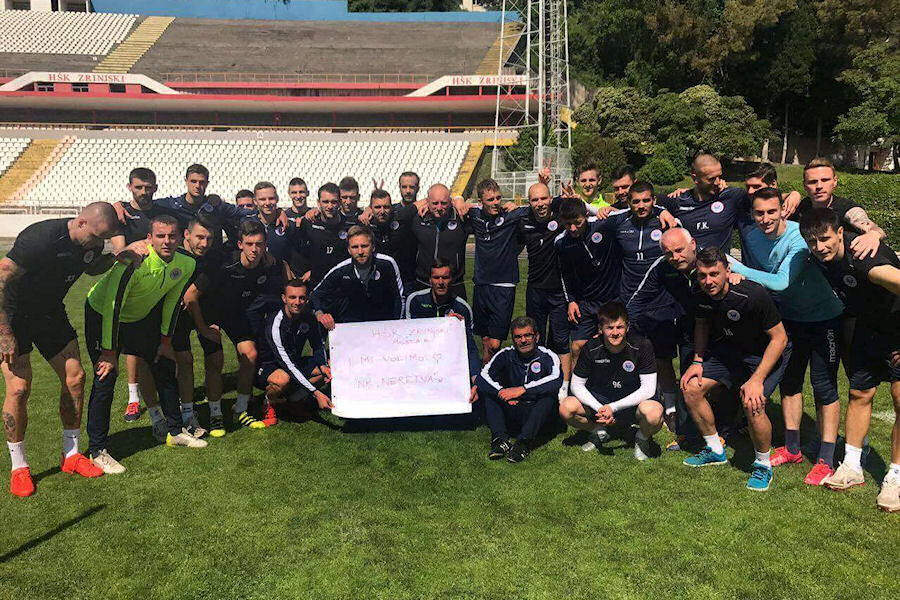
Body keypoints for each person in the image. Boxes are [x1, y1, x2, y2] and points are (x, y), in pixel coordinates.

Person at [0, 203, 121, 496]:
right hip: (14, 315)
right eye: (96, 237)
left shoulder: (92, 242)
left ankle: (71, 454)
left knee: (75, 377)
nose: (97, 244)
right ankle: (19, 467)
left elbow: (91, 266)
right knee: (19, 388)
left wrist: (118, 257)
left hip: (50, 313)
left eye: (103, 239)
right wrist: (4, 331)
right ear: (81, 223)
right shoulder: (40, 238)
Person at [727, 188, 845, 484]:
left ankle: (826, 459)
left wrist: (739, 268)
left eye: (771, 211)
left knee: (824, 387)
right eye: (759, 213)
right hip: (790, 319)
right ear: (752, 214)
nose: (765, 218)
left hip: (824, 318)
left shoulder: (799, 237)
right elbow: (762, 277)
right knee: (790, 384)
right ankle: (792, 448)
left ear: (783, 210)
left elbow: (781, 282)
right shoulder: (752, 236)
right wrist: (742, 276)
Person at [85, 215, 204, 476]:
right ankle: (97, 450)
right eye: (160, 236)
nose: (167, 241)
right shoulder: (134, 261)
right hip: (102, 313)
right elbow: (113, 304)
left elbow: (172, 300)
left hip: (137, 318)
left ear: (180, 237)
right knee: (106, 376)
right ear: (149, 239)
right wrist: (109, 352)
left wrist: (165, 341)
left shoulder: (187, 263)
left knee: (164, 363)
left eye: (172, 236)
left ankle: (175, 431)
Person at [799, 208, 900, 512]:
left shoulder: (864, 260)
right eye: (813, 242)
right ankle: (852, 466)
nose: (819, 247)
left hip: (897, 329)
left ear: (840, 233)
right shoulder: (823, 258)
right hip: (868, 328)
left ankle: (895, 477)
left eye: (825, 239)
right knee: (859, 393)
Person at [680, 247, 789, 492]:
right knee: (691, 388)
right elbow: (701, 324)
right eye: (702, 275)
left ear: (728, 271)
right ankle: (714, 448)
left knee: (752, 402)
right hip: (730, 352)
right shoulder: (698, 292)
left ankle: (763, 465)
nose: (708, 281)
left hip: (764, 354)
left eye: (714, 274)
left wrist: (757, 379)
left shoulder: (752, 295)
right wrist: (697, 361)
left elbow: (780, 338)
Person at [188, 220, 286, 430]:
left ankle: (240, 409)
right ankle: (215, 413)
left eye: (259, 244)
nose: (254, 249)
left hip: (236, 315)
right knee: (215, 360)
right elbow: (190, 297)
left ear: (265, 245)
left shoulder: (267, 264)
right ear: (240, 244)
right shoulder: (223, 264)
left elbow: (284, 269)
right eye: (249, 244)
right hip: (210, 314)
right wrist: (203, 328)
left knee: (250, 354)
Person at [559, 302, 662, 461]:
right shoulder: (591, 347)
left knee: (654, 414)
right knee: (566, 408)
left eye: (620, 327)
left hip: (632, 403)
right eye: (610, 328)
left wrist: (613, 408)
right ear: (600, 329)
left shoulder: (642, 346)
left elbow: (648, 389)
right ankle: (598, 431)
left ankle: (641, 438)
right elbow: (576, 385)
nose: (615, 333)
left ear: (627, 327)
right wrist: (600, 408)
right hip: (600, 402)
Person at [615, 181, 679, 428]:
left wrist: (663, 210)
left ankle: (671, 408)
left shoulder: (666, 223)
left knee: (662, 358)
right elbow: (590, 218)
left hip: (661, 303)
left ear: (654, 200)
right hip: (629, 301)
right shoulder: (620, 223)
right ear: (629, 203)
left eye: (646, 200)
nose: (641, 206)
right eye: (636, 201)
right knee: (630, 356)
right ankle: (634, 404)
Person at [554, 198, 624, 384]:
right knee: (577, 347)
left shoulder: (603, 225)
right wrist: (571, 301)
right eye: (567, 224)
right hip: (586, 302)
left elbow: (628, 213)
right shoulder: (561, 243)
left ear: (585, 216)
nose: (573, 228)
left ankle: (615, 386)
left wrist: (602, 209)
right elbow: (564, 275)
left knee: (614, 344)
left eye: (577, 222)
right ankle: (577, 389)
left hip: (612, 300)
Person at [111, 168, 161, 425]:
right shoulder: (122, 215)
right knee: (133, 348)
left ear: (155, 188)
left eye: (148, 187)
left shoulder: (162, 211)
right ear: (130, 187)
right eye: (139, 187)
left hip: (159, 285)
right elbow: (119, 251)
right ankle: (133, 398)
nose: (144, 192)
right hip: (131, 287)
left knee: (162, 341)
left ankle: (164, 391)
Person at [476, 316, 562, 463]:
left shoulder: (548, 356)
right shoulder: (505, 354)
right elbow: (482, 377)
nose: (523, 340)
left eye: (528, 335)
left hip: (537, 415)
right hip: (512, 409)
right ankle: (500, 440)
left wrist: (523, 389)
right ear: (513, 339)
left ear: (536, 336)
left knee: (548, 397)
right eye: (518, 337)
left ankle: (523, 444)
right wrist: (501, 392)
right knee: (490, 394)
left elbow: (556, 379)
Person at [172, 216, 227, 438]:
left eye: (209, 239)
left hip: (206, 311)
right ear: (187, 234)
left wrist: (205, 327)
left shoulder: (213, 258)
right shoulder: (173, 255)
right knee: (184, 361)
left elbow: (192, 297)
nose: (204, 244)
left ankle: (215, 411)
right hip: (179, 315)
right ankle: (187, 413)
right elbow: (188, 298)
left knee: (215, 359)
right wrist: (203, 329)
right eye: (200, 237)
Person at [518, 182, 572, 400]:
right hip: (535, 291)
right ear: (529, 202)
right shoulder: (524, 223)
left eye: (543, 198)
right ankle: (537, 381)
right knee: (535, 339)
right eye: (535, 200)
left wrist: (564, 197)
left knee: (560, 341)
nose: (540, 204)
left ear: (550, 199)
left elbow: (572, 206)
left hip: (559, 292)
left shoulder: (560, 216)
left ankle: (564, 387)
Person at [466, 178, 528, 363]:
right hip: (481, 284)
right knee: (485, 339)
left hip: (504, 285)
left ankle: (491, 372)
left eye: (498, 198)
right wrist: (459, 200)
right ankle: (488, 373)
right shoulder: (475, 215)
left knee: (494, 343)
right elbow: (454, 205)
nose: (495, 203)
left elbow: (538, 207)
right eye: (490, 199)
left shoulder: (510, 215)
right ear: (480, 201)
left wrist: (517, 206)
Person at [256, 280, 332, 425]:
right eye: (292, 297)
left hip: (292, 361)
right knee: (282, 380)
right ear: (284, 298)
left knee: (328, 371)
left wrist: (323, 365)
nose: (297, 302)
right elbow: (288, 365)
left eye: (301, 298)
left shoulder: (308, 316)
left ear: (307, 298)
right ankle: (268, 402)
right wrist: (316, 393)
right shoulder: (276, 324)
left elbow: (317, 344)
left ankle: (294, 400)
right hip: (269, 365)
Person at [790, 157, 886, 259]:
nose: (819, 186)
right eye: (812, 182)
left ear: (835, 181)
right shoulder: (803, 206)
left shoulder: (846, 208)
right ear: (805, 186)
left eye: (825, 180)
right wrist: (792, 194)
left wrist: (873, 234)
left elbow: (872, 227)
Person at [311, 225, 404, 329]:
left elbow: (399, 298)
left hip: (383, 323)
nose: (360, 252)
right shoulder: (341, 270)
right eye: (355, 247)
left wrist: (397, 325)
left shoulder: (387, 264)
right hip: (352, 324)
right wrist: (320, 314)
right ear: (349, 250)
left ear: (373, 247)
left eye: (364, 246)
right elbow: (315, 295)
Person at [405, 259, 481, 382]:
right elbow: (407, 339)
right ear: (430, 280)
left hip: (449, 363)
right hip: (420, 362)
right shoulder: (415, 301)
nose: (440, 282)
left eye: (445, 278)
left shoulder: (462, 308)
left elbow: (470, 346)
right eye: (436, 278)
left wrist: (475, 377)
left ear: (452, 279)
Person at [657, 153, 750, 251]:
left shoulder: (731, 197)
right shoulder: (680, 200)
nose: (717, 182)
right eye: (711, 179)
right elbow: (651, 200)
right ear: (695, 178)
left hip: (719, 260)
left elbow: (759, 198)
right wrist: (661, 211)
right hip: (689, 260)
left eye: (719, 176)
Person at [409, 184, 471, 298]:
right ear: (427, 202)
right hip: (423, 283)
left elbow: (485, 210)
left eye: (443, 203)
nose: (439, 207)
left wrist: (459, 199)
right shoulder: (418, 219)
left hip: (454, 284)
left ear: (450, 201)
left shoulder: (462, 218)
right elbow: (396, 214)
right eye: (435, 203)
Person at [296, 182, 354, 286]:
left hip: (342, 284)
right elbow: (297, 251)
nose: (329, 206)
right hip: (315, 282)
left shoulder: (350, 226)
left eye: (334, 202)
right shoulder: (309, 223)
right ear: (318, 203)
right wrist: (308, 270)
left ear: (340, 203)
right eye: (325, 202)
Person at [368, 189, 418, 292]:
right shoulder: (365, 225)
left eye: (386, 207)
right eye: (377, 207)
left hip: (404, 280)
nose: (382, 211)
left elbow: (426, 201)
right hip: (376, 280)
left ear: (392, 207)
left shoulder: (401, 217)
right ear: (370, 208)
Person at [250, 181, 302, 274]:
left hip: (280, 277)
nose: (267, 203)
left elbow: (299, 253)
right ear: (255, 201)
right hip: (254, 276)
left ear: (277, 199)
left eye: (271, 198)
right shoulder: (248, 223)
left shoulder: (289, 225)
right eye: (262, 199)